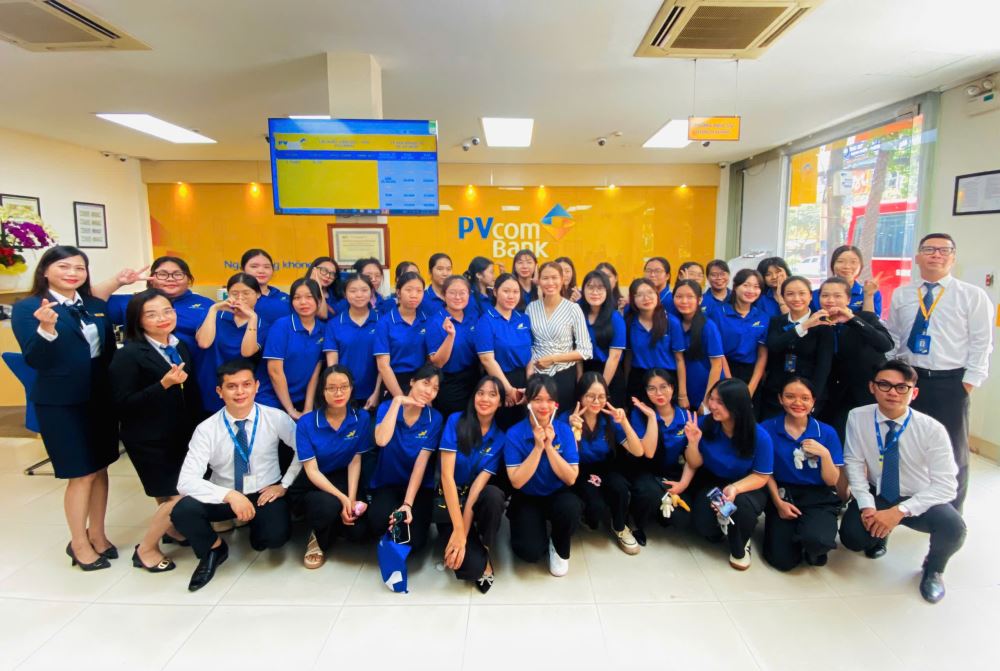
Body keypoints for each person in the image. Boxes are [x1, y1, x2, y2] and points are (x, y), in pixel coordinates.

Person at [11, 246, 119, 571]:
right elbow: (35, 359)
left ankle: (97, 533)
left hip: (99, 398)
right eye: (64, 267)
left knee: (100, 468)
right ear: (45, 270)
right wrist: (46, 329)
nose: (72, 273)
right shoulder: (29, 308)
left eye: (79, 268)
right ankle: (79, 543)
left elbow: (107, 353)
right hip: (61, 402)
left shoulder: (93, 305)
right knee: (81, 473)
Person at [838, 359, 967, 604]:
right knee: (852, 538)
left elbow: (947, 486)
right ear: (872, 387)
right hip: (879, 493)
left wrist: (899, 511)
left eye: (901, 387)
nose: (892, 392)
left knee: (954, 528)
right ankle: (880, 533)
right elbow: (853, 462)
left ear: (913, 393)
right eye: (884, 385)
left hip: (918, 497)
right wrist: (866, 505)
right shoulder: (857, 417)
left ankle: (934, 569)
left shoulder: (932, 429)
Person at [171, 359, 301, 591]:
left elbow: (304, 451)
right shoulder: (207, 429)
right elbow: (185, 482)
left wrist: (284, 484)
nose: (240, 392)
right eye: (231, 386)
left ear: (256, 386)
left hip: (264, 493)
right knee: (182, 511)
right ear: (219, 391)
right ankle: (214, 548)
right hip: (224, 495)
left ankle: (256, 528)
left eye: (246, 384)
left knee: (274, 538)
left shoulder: (275, 417)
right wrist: (229, 495)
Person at [886, 233, 993, 510]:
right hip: (909, 380)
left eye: (944, 250)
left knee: (952, 450)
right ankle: (904, 507)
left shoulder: (972, 295)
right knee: (905, 444)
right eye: (929, 249)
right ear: (918, 257)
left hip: (950, 381)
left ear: (953, 257)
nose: (936, 254)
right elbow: (894, 336)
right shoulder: (903, 294)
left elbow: (982, 343)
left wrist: (968, 384)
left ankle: (952, 513)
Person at [109, 289, 203, 573]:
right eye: (151, 314)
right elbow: (122, 404)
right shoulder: (129, 355)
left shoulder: (178, 346)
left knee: (167, 493)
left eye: (167, 311)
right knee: (178, 495)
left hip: (178, 432)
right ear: (137, 320)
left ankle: (172, 530)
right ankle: (146, 549)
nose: (163, 318)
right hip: (149, 437)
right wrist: (163, 385)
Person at [93, 256, 213, 411]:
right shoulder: (134, 302)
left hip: (191, 375)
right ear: (151, 278)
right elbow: (90, 300)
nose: (170, 279)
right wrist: (119, 281)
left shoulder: (206, 305)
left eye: (178, 274)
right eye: (162, 274)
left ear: (189, 279)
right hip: (144, 378)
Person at [685, 379, 774, 570]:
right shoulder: (705, 423)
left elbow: (761, 476)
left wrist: (735, 488)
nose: (712, 405)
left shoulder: (760, 436)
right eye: (712, 399)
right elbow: (694, 463)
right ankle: (724, 525)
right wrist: (692, 442)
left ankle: (743, 540)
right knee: (706, 529)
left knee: (740, 508)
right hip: (713, 481)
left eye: (721, 402)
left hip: (746, 485)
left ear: (737, 406)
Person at [290, 366, 371, 569]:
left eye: (344, 387)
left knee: (359, 532)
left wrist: (351, 499)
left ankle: (333, 524)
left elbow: (355, 460)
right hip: (314, 482)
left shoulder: (361, 418)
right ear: (322, 391)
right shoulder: (307, 423)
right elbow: (311, 470)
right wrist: (342, 499)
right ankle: (316, 537)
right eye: (332, 388)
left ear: (351, 388)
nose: (338, 393)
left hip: (343, 477)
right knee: (328, 506)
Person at [760, 378, 843, 571]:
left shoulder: (827, 432)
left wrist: (825, 454)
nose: (798, 403)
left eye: (805, 398)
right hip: (783, 493)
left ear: (813, 401)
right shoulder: (767, 429)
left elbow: (832, 480)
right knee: (782, 561)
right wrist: (778, 503)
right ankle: (796, 537)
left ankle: (811, 544)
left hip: (818, 495)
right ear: (780, 399)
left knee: (818, 541)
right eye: (790, 396)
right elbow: (764, 472)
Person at [504, 375, 583, 576]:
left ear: (556, 403)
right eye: (538, 399)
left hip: (557, 493)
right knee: (529, 553)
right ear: (528, 402)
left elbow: (571, 478)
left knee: (571, 507)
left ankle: (557, 542)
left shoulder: (564, 431)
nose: (544, 406)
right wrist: (538, 448)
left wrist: (549, 447)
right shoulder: (514, 434)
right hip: (527, 496)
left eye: (549, 400)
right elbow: (516, 481)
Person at [562, 372, 646, 554]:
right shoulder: (567, 418)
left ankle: (620, 526)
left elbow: (638, 451)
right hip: (578, 469)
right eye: (590, 396)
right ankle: (588, 517)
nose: (596, 401)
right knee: (596, 508)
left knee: (620, 488)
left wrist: (624, 422)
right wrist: (568, 428)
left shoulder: (609, 419)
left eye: (601, 396)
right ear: (580, 397)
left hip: (604, 466)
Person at [438, 376, 507, 592]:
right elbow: (446, 476)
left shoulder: (500, 438)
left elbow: (477, 489)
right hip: (448, 499)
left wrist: (462, 535)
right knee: (471, 568)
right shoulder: (455, 421)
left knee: (493, 495)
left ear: (501, 402)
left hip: (472, 500)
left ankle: (485, 547)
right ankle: (468, 546)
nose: (485, 399)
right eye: (481, 393)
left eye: (492, 394)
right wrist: (458, 530)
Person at [369, 365, 444, 556]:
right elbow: (381, 440)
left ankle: (397, 533)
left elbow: (421, 464)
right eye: (425, 383)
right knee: (377, 522)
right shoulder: (387, 407)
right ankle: (393, 533)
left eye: (435, 388)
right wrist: (397, 402)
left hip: (418, 488)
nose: (429, 391)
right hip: (387, 483)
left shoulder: (434, 418)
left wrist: (407, 505)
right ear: (412, 382)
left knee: (416, 542)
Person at [623, 369, 697, 546]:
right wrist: (651, 417)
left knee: (683, 518)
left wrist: (683, 484)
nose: (659, 393)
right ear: (645, 391)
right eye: (652, 388)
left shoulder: (685, 416)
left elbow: (693, 461)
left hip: (672, 471)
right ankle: (637, 523)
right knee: (650, 494)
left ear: (672, 387)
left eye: (664, 387)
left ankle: (661, 514)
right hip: (645, 469)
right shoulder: (640, 413)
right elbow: (648, 452)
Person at [816, 277, 894, 438]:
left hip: (866, 393)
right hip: (834, 397)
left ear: (848, 299)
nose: (830, 300)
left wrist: (852, 320)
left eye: (837, 296)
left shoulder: (865, 318)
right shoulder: (816, 322)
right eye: (825, 295)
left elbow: (886, 344)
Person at [760, 275, 833, 420]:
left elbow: (824, 365)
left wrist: (813, 398)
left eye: (802, 293)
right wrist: (804, 326)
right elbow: (774, 345)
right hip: (776, 393)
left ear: (811, 296)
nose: (796, 298)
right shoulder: (776, 321)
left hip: (807, 394)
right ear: (783, 298)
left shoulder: (823, 324)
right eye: (790, 294)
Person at [195, 272, 268, 413]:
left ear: (258, 294)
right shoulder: (214, 315)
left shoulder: (263, 325)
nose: (240, 298)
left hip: (239, 389)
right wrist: (213, 309)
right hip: (209, 383)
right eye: (234, 293)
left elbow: (247, 352)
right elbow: (204, 343)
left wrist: (252, 317)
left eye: (246, 293)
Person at [525, 262, 593, 412]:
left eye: (554, 277)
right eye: (545, 278)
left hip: (564, 374)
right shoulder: (531, 308)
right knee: (537, 417)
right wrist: (530, 373)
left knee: (562, 418)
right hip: (537, 375)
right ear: (539, 281)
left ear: (562, 280)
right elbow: (527, 344)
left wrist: (553, 359)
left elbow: (586, 350)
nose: (550, 282)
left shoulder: (573, 309)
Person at [256, 277, 324, 420]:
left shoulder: (323, 330)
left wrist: (308, 408)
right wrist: (290, 410)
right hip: (270, 399)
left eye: (309, 297)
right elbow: (275, 371)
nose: (303, 302)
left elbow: (315, 373)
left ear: (319, 300)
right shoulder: (281, 326)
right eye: (297, 297)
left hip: (300, 399)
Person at [476, 272, 532, 430]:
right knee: (502, 428)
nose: (511, 296)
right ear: (495, 292)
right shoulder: (486, 321)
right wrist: (508, 390)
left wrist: (530, 386)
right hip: (498, 383)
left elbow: (530, 354)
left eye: (515, 292)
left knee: (524, 429)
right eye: (506, 291)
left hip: (524, 382)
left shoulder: (523, 319)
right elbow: (487, 360)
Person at [624, 278, 687, 405]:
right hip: (639, 378)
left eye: (650, 293)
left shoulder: (671, 322)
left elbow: (680, 360)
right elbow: (628, 357)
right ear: (632, 299)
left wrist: (682, 394)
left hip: (666, 378)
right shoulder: (629, 323)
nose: (646, 298)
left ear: (657, 295)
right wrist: (625, 386)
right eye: (639, 295)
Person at [324, 274, 382, 410]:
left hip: (374, 394)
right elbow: (332, 366)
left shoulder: (382, 322)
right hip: (343, 395)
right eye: (353, 291)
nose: (359, 295)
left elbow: (384, 364)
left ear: (371, 292)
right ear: (345, 294)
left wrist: (377, 393)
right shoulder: (334, 324)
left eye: (364, 290)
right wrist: (339, 392)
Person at [427, 276, 483, 417]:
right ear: (444, 295)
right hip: (449, 383)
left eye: (462, 293)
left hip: (475, 379)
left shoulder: (474, 317)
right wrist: (450, 336)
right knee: (455, 423)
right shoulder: (435, 321)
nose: (458, 297)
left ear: (469, 295)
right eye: (452, 292)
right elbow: (437, 362)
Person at [710, 269, 768, 399]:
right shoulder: (718, 313)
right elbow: (717, 350)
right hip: (722, 369)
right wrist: (729, 382)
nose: (751, 290)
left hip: (751, 373)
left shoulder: (763, 317)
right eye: (746, 285)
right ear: (735, 287)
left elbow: (762, 355)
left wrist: (750, 389)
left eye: (756, 287)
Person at [374, 271, 430, 398]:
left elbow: (430, 359)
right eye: (408, 290)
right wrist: (400, 397)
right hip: (393, 381)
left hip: (421, 381)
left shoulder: (427, 320)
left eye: (419, 291)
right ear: (398, 292)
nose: (414, 295)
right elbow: (383, 366)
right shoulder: (385, 323)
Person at [673, 280, 725, 412]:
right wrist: (682, 394)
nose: (684, 301)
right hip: (684, 389)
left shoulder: (708, 327)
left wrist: (707, 401)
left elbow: (717, 365)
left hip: (705, 390)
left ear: (700, 299)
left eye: (690, 297)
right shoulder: (674, 324)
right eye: (679, 296)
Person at [579, 270, 627, 407]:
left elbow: (615, 357)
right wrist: (579, 382)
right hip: (585, 371)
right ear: (583, 290)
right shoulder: (578, 315)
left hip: (608, 373)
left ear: (607, 291)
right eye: (590, 287)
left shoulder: (615, 318)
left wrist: (601, 389)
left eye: (600, 288)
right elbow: (576, 353)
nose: (595, 292)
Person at [810, 245, 883, 316]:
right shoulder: (814, 295)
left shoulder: (871, 293)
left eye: (853, 262)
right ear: (833, 264)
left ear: (861, 266)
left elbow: (872, 322)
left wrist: (868, 296)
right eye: (841, 261)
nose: (847, 266)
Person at [241, 248, 290, 324]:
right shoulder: (238, 300)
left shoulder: (286, 298)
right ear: (243, 270)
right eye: (254, 266)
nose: (261, 271)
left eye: (267, 267)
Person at [463, 256, 495, 321]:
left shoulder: (492, 294)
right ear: (479, 275)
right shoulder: (470, 298)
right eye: (491, 272)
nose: (494, 276)